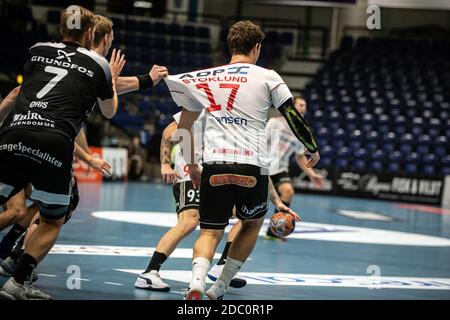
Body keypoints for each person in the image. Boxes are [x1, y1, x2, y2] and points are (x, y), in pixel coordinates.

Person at [164, 20, 319, 300]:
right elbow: (292, 116)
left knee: (210, 231)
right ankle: (220, 286)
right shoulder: (268, 77)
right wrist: (312, 147)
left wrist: (194, 165)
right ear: (257, 47)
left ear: (230, 46)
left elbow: (183, 131)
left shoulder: (203, 78)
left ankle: (197, 281)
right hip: (252, 168)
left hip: (214, 165)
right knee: (250, 224)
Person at [0, 6, 119, 300]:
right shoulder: (98, 63)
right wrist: (111, 79)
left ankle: (12, 257)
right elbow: (109, 111)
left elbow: (18, 93)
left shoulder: (36, 49)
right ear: (90, 33)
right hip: (53, 143)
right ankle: (17, 280)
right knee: (53, 218)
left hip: (14, 133)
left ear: (61, 28)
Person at [135, 111, 247, 292]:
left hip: (216, 176)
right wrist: (165, 164)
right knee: (189, 221)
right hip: (190, 173)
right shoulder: (200, 106)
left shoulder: (233, 115)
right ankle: (150, 272)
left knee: (225, 225)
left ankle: (219, 266)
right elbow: (168, 132)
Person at [264, 95, 324, 241]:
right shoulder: (274, 123)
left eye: (305, 106)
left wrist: (311, 174)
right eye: (301, 105)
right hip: (263, 166)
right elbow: (260, 142)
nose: (304, 108)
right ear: (291, 106)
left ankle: (274, 231)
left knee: (288, 191)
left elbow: (299, 156)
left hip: (280, 167)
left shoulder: (299, 131)